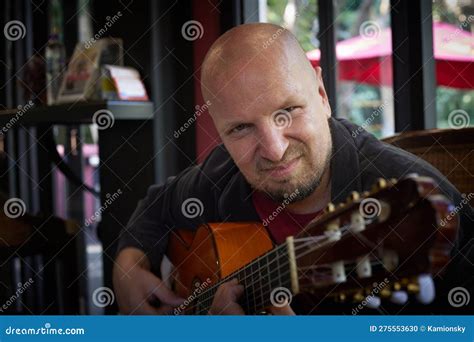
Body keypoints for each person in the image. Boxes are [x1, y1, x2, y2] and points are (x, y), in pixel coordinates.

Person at [113, 23, 474, 315]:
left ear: (321, 94)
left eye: (288, 111)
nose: (274, 148)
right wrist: (128, 264)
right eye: (240, 128)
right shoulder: (223, 173)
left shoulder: (418, 204)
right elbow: (158, 205)